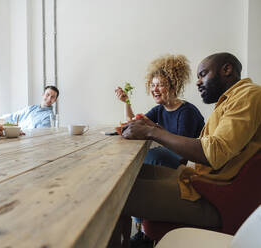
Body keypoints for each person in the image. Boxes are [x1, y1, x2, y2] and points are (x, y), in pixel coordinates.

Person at [107, 52, 261, 248]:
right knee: (125, 176)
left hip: (213, 196)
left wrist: (153, 132)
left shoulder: (248, 95)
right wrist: (153, 129)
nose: (197, 82)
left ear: (227, 69)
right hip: (202, 181)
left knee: (114, 193)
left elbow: (212, 153)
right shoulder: (231, 100)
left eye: (203, 74)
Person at [115, 54, 204, 170]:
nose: (154, 89)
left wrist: (152, 128)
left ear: (174, 87)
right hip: (170, 156)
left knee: (145, 157)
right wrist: (127, 102)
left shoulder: (187, 112)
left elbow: (182, 152)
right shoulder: (159, 110)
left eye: (160, 85)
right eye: (152, 85)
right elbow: (133, 125)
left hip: (185, 162)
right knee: (135, 157)